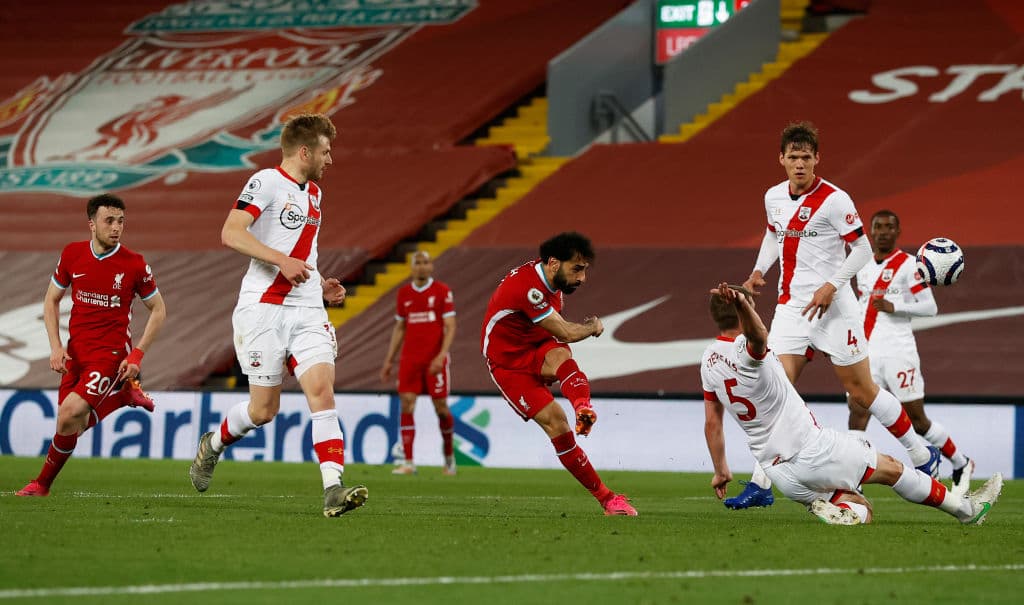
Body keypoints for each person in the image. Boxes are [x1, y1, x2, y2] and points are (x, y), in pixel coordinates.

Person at [733, 121, 941, 509]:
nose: (799, 164)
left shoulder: (835, 199)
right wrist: (759, 270)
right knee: (775, 389)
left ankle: (920, 453)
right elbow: (773, 234)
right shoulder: (773, 197)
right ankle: (762, 484)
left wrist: (831, 286)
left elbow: (860, 250)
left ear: (817, 159)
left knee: (862, 391)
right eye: (793, 157)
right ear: (781, 159)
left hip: (835, 308)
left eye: (805, 157)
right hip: (791, 308)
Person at [188, 113, 368, 517]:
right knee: (263, 411)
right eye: (325, 151)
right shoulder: (266, 182)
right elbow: (231, 233)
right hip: (263, 310)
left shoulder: (315, 194)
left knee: (321, 390)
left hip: (306, 308)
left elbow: (302, 253)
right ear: (304, 152)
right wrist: (280, 261)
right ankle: (213, 444)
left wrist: (319, 283)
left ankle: (333, 488)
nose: (330, 159)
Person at [701, 282, 1001, 525]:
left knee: (861, 508)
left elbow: (712, 423)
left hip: (778, 472)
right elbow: (758, 337)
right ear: (744, 310)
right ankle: (967, 511)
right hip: (811, 449)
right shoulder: (746, 351)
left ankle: (843, 514)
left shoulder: (708, 360)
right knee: (893, 469)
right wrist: (743, 304)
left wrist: (721, 470)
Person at [16, 194, 166, 497]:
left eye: (121, 221)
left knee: (69, 413)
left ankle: (41, 485)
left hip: (110, 355)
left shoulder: (134, 264)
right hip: (76, 353)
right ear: (92, 224)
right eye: (109, 221)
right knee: (73, 424)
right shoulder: (72, 254)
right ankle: (123, 397)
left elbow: (159, 310)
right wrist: (56, 347)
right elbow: (51, 300)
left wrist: (136, 355)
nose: (116, 227)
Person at [480, 232, 636, 516]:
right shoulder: (530, 289)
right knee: (558, 425)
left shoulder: (551, 280)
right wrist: (592, 326)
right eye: (577, 269)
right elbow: (565, 332)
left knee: (561, 356)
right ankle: (607, 499)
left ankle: (583, 407)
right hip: (508, 364)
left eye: (584, 270)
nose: (582, 278)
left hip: (535, 344)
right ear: (553, 263)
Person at [848, 210, 974, 495]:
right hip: (866, 351)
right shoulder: (861, 264)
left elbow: (930, 307)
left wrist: (895, 307)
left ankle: (961, 462)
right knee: (857, 411)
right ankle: (853, 480)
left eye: (888, 227)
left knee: (917, 420)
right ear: (870, 231)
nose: (883, 232)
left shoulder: (909, 265)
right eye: (878, 227)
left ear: (898, 231)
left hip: (898, 351)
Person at [380, 250, 457, 475]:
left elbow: (450, 326)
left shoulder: (442, 291)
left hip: (434, 360)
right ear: (412, 267)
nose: (422, 266)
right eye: (418, 262)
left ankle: (449, 457)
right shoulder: (404, 293)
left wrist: (442, 355)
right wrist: (389, 360)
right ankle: (408, 462)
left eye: (426, 262)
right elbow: (400, 327)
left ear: (431, 266)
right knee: (407, 404)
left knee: (441, 409)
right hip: (410, 359)